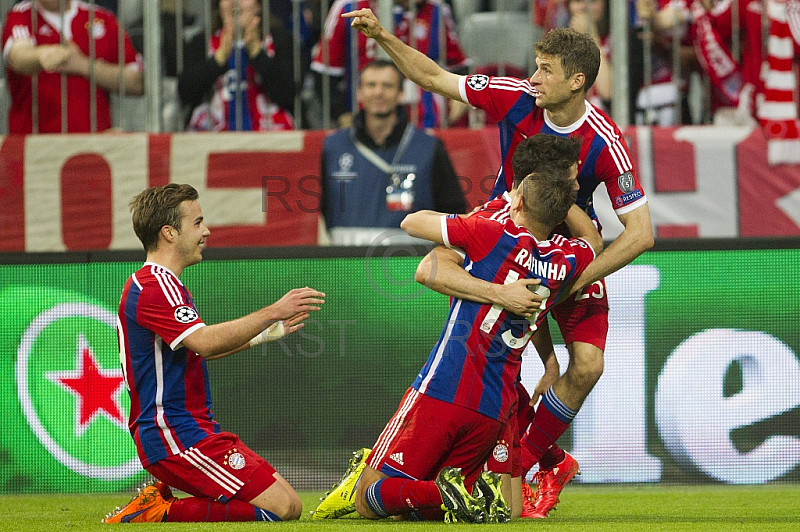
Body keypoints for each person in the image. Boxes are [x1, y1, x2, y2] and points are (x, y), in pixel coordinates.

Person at [341, 7, 654, 518]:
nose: (532, 78)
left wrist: (569, 282)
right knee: (494, 352)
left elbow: (640, 235)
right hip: (507, 223)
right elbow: (434, 77)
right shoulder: (516, 96)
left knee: (587, 364)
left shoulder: (607, 142)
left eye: (545, 70)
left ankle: (529, 464)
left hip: (569, 248)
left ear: (576, 82)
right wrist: (382, 37)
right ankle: (527, 461)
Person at [313, 135, 602, 523]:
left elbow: (411, 222)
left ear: (517, 195)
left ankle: (442, 491)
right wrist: (562, 199)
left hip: (445, 386)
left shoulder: (490, 231)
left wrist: (497, 225)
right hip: (496, 403)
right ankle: (456, 494)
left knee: (370, 498)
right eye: (572, 181)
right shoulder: (567, 258)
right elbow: (593, 242)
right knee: (499, 508)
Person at [102, 183, 326, 523]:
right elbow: (205, 341)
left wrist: (262, 335)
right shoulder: (153, 285)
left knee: (290, 505)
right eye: (197, 222)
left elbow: (200, 350)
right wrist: (273, 311)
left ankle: (159, 507)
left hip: (192, 430)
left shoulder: (165, 285)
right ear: (169, 233)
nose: (206, 231)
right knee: (279, 509)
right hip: (172, 434)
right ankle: (157, 511)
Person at [320, 58, 466, 246]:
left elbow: (453, 213)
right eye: (371, 85)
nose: (378, 92)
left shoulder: (429, 148)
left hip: (408, 266)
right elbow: (324, 208)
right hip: (346, 267)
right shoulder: (333, 147)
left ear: (401, 93)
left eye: (387, 86)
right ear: (359, 92)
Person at [310, 0, 468, 127]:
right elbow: (324, 74)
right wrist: (341, 114)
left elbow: (458, 66)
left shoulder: (437, 9)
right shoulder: (349, 7)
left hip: (425, 121)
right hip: (364, 122)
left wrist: (459, 95)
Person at [1, 0, 144, 134]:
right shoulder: (21, 15)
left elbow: (137, 82)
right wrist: (42, 56)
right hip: (34, 148)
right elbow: (17, 55)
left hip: (94, 148)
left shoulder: (102, 18)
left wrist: (83, 65)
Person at [178, 0, 295, 131]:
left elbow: (289, 95)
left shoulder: (280, 39)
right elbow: (185, 93)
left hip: (271, 137)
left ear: (258, 5)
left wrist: (257, 55)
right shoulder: (201, 42)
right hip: (211, 137)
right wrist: (219, 60)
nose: (235, 2)